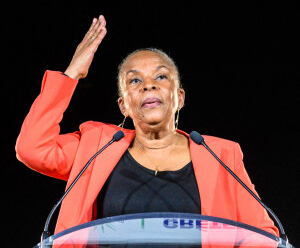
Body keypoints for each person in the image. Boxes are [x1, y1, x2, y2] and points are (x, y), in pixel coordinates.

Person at [15, 15, 279, 239]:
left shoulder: (221, 155)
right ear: (124, 106)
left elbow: (264, 236)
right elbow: (32, 148)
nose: (148, 85)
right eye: (134, 81)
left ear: (180, 98)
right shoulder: (96, 145)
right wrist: (72, 73)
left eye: (161, 76)